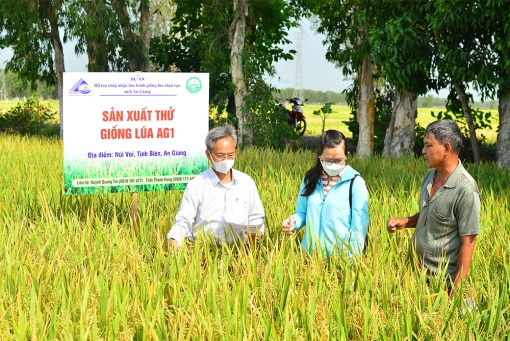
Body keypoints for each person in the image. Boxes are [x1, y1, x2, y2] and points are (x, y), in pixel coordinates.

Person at [387, 120, 481, 292]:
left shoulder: (466, 189)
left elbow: (469, 242)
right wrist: (405, 222)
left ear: (446, 148)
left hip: (441, 285)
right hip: (415, 276)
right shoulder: (430, 176)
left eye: (428, 145)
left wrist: (456, 291)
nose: (423, 151)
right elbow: (430, 214)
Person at [167, 125, 265, 249]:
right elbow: (183, 220)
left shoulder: (246, 183)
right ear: (208, 154)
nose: (226, 160)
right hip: (205, 252)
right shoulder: (197, 185)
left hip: (241, 253)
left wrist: (258, 233)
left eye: (230, 155)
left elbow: (257, 218)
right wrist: (174, 240)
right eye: (220, 156)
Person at [282, 130, 369, 257]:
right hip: (308, 256)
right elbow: (302, 213)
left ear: (346, 155)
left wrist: (351, 262)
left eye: (338, 160)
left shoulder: (355, 183)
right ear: (319, 155)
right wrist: (293, 221)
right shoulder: (310, 179)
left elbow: (359, 227)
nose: (333, 165)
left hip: (339, 258)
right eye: (328, 160)